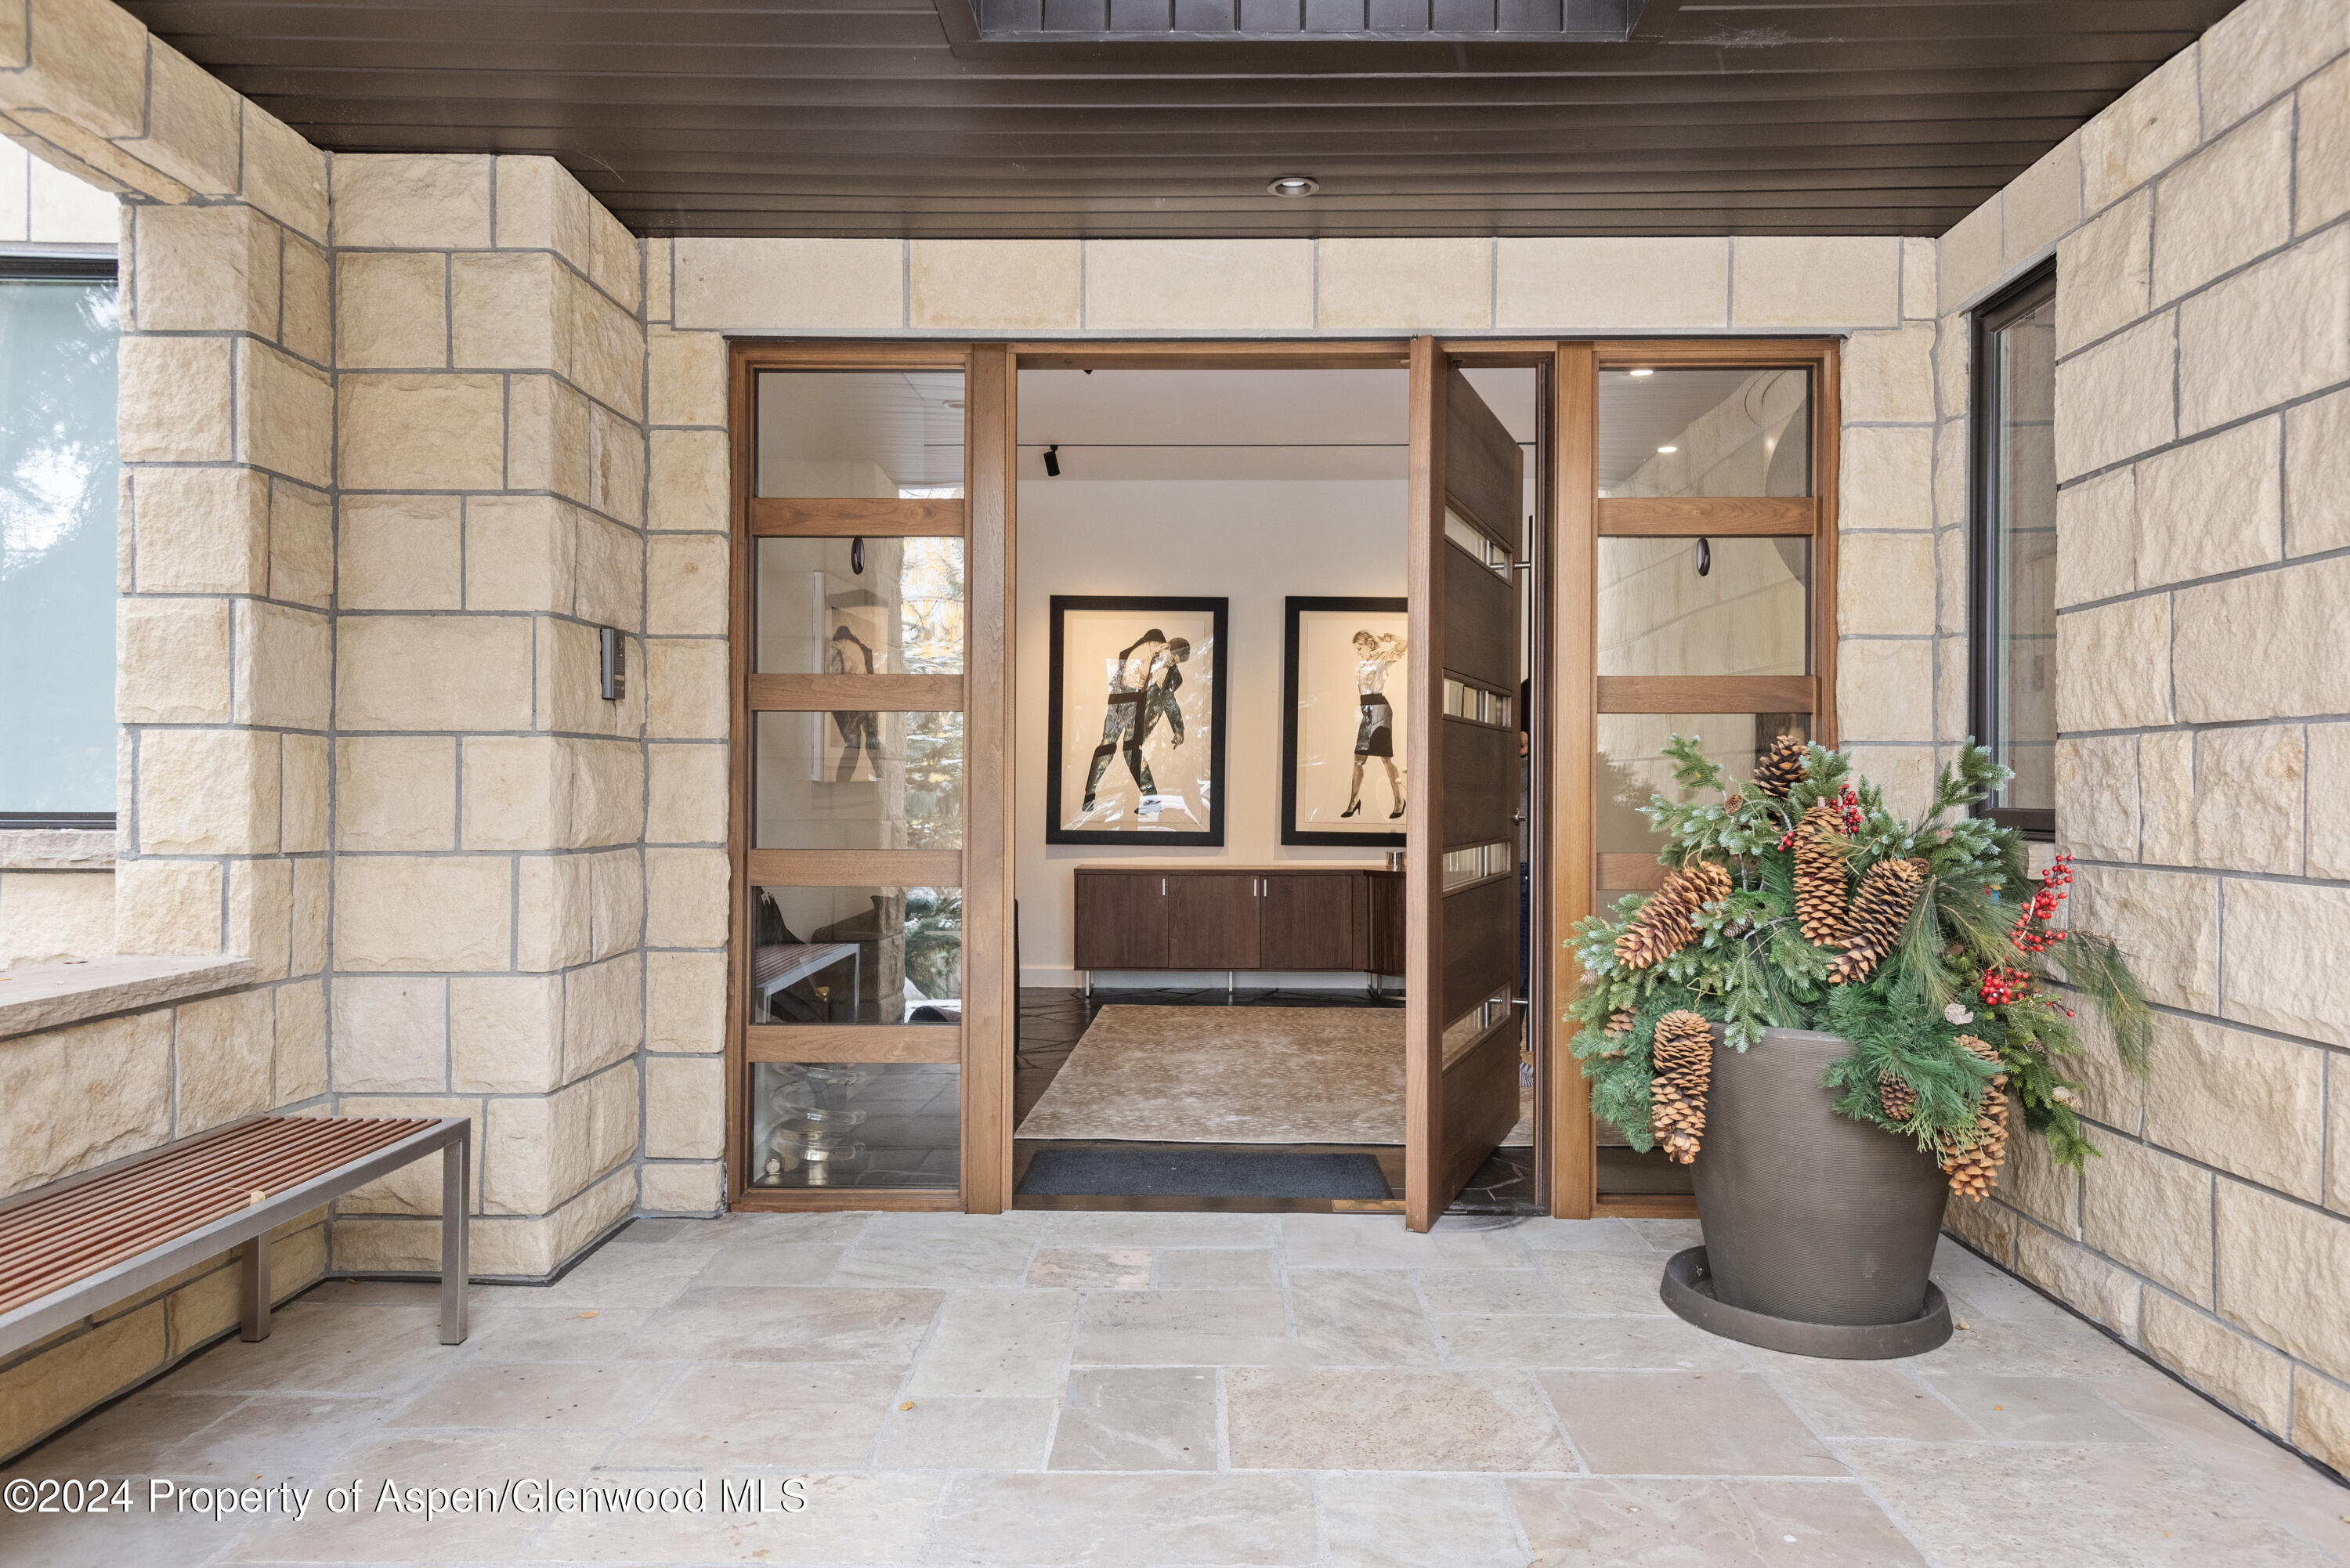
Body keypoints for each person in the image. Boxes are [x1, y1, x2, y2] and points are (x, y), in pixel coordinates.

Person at [1080, 629, 1188, 815]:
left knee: (1131, 753)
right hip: (1119, 702)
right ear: (1167, 647)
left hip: (1140, 709)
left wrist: (1179, 728)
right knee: (1106, 746)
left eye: (1174, 663)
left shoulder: (1167, 670)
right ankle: (1090, 795)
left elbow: (1168, 699)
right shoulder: (1146, 647)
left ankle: (1152, 800)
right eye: (1172, 659)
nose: (1171, 664)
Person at [1339, 629, 1407, 820]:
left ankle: (1399, 802)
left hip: (1380, 708)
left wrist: (1388, 638)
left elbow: (1403, 644)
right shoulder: (1362, 664)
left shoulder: (1382, 657)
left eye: (1360, 648)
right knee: (1359, 758)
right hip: (1367, 710)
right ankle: (1354, 801)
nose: (1358, 652)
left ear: (1369, 644)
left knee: (1386, 758)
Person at [827, 623, 883, 782]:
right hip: (864, 698)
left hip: (859, 699)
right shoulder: (856, 647)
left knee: (857, 743)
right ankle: (880, 779)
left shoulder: (845, 649)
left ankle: (842, 783)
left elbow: (849, 676)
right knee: (866, 743)